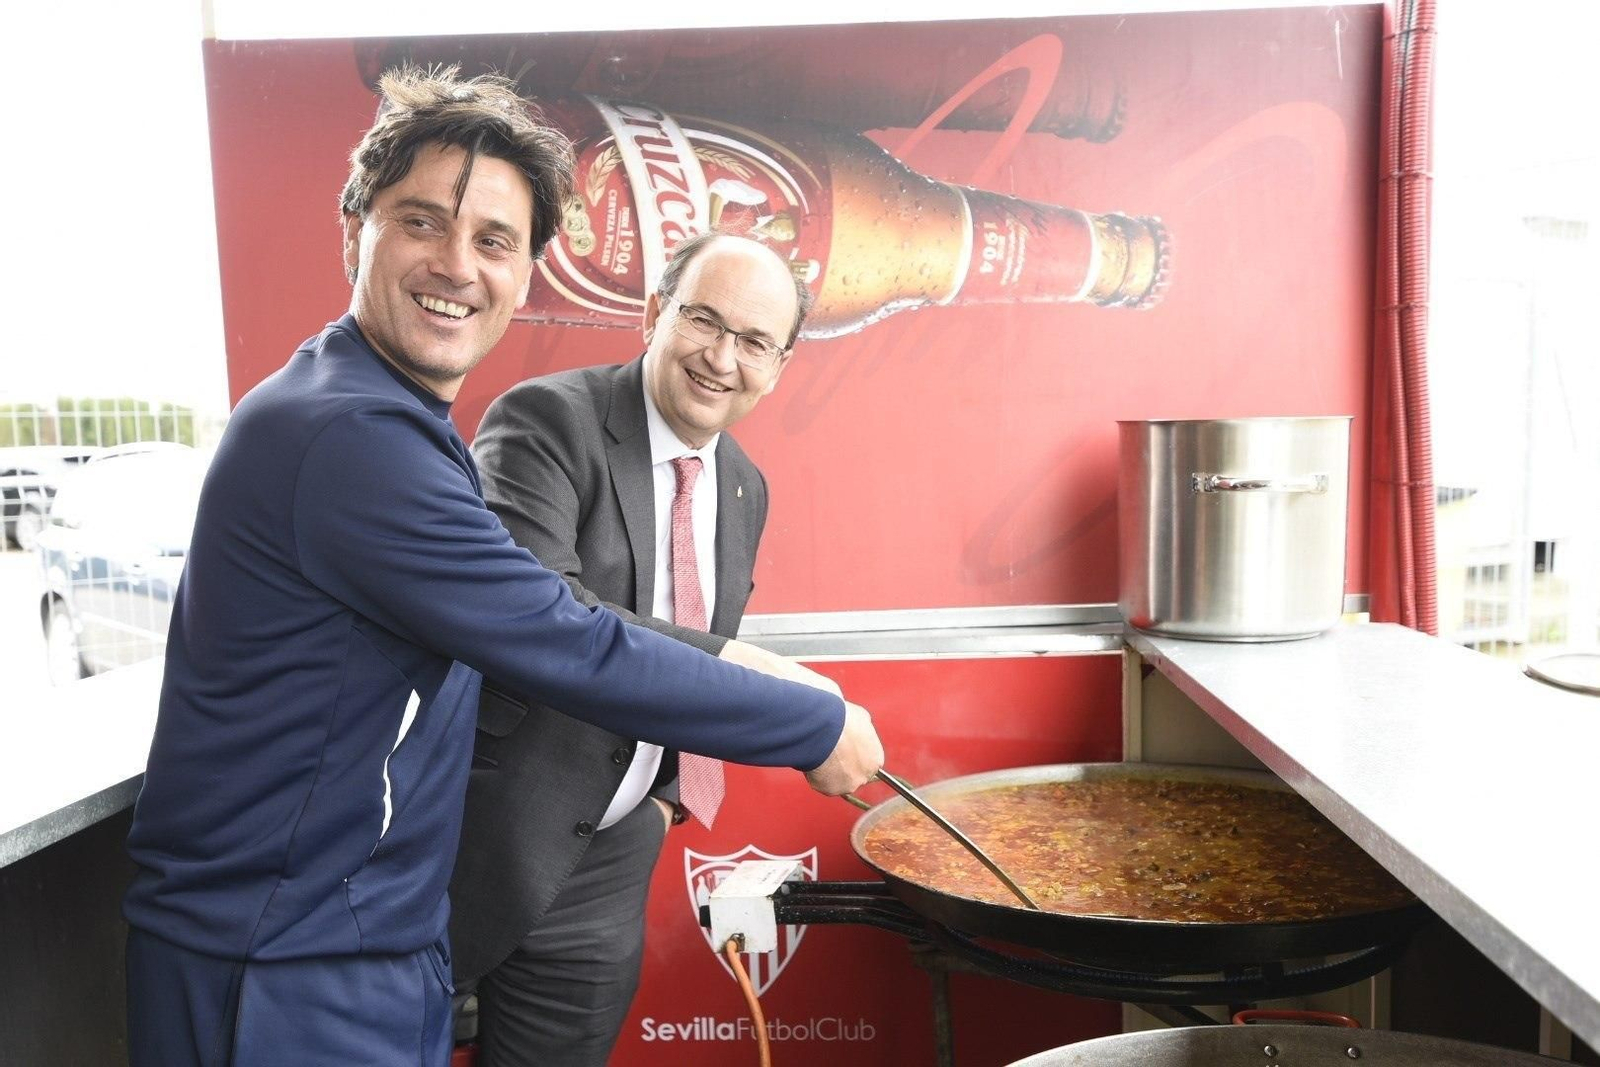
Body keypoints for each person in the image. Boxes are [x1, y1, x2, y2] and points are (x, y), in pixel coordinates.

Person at [121, 68, 883, 1067]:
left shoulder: (387, 413)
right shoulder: (348, 437)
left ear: (527, 273)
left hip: (362, 936)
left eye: (493, 241)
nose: (456, 265)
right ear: (356, 231)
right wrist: (809, 718)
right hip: (282, 960)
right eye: (421, 223)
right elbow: (565, 637)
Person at [450, 231, 826, 1065]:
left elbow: (692, 635)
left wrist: (662, 798)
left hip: (609, 857)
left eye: (755, 341)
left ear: (779, 364)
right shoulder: (546, 420)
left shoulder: (744, 485)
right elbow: (543, 618)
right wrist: (767, 684)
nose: (722, 358)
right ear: (654, 312)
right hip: (474, 848)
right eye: (704, 320)